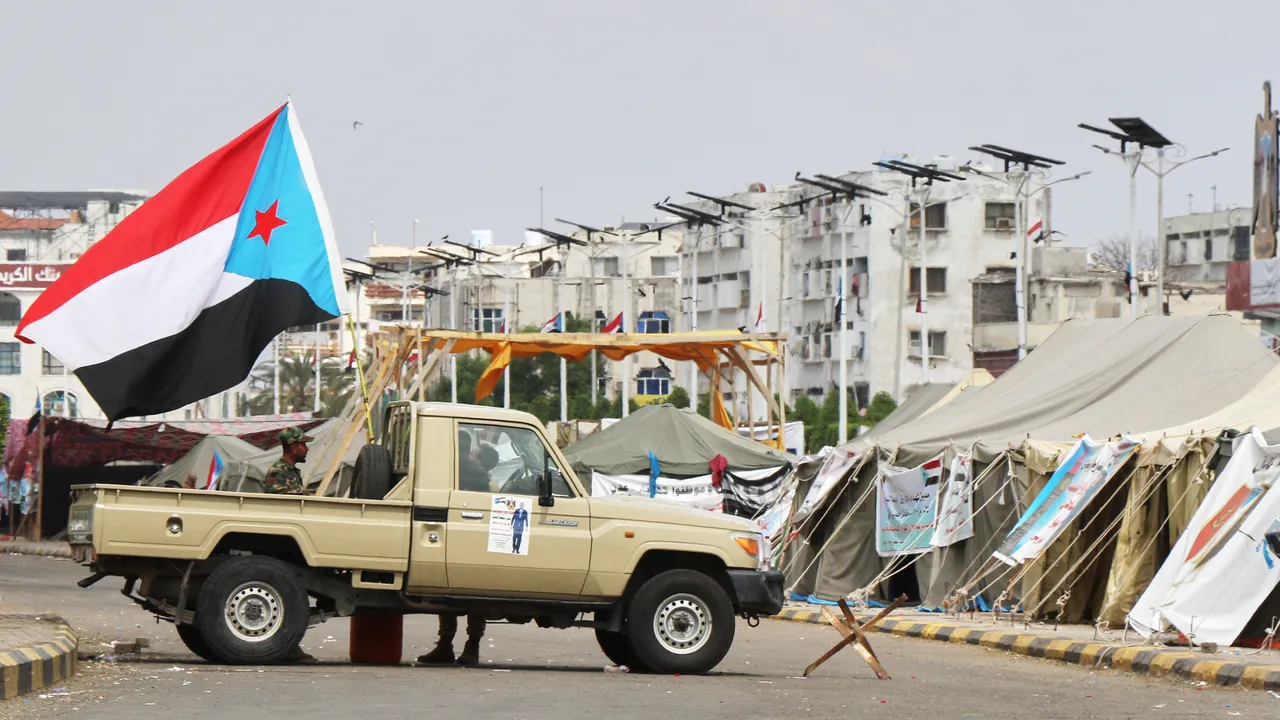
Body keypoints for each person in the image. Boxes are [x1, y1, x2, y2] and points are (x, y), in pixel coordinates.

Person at [417, 430, 490, 667]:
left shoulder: (444, 470)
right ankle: (472, 646)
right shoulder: (477, 473)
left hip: (451, 537)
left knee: (446, 593)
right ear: (468, 450)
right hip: (476, 538)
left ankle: (445, 644)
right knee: (477, 594)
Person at [261, 426, 317, 664]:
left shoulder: (291, 471)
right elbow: (278, 500)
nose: (306, 448)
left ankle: (288, 645)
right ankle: (287, 646)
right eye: (303, 444)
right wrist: (305, 495)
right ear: (293, 447)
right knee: (289, 596)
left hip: (291, 542)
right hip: (280, 544)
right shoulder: (278, 471)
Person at [265, 427, 313, 495]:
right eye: (304, 445)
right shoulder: (277, 471)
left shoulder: (291, 470)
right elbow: (276, 499)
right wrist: (306, 494)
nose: (307, 449)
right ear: (294, 448)